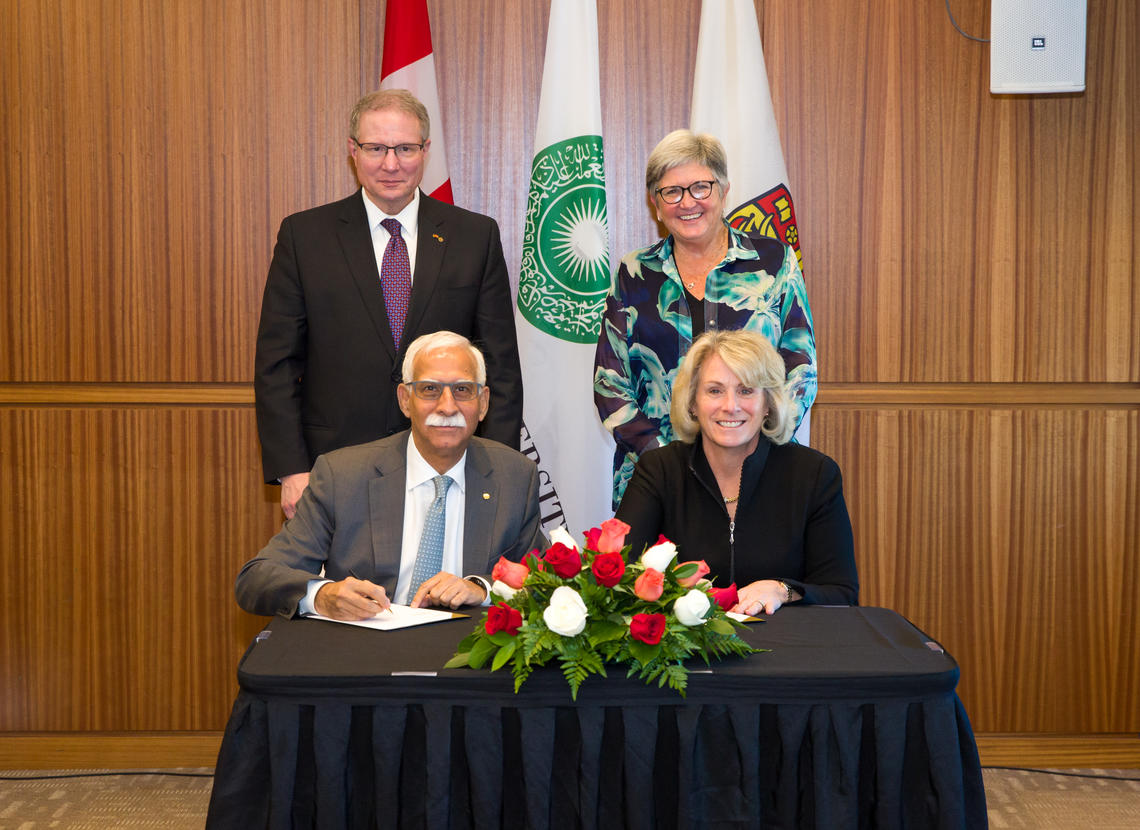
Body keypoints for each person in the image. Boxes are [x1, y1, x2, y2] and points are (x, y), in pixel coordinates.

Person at [255, 88, 523, 519]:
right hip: (333, 466)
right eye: (376, 148)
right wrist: (291, 469)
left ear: (426, 150)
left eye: (405, 148)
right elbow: (277, 365)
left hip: (449, 462)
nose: (391, 163)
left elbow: (500, 365)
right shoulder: (304, 237)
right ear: (353, 151)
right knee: (343, 589)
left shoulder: (475, 237)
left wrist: (499, 468)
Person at [237, 332, 543, 620]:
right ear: (405, 400)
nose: (447, 407)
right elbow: (257, 578)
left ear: (484, 403)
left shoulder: (514, 477)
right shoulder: (342, 476)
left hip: (469, 659)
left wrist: (482, 588)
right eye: (429, 389)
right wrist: (323, 595)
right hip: (368, 656)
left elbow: (545, 583)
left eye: (462, 390)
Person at [594, 129, 816, 507]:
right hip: (657, 481)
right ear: (656, 203)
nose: (687, 202)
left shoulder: (774, 261)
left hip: (758, 475)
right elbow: (609, 384)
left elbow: (801, 368)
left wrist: (749, 451)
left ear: (724, 190)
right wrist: (668, 463)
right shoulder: (634, 271)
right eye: (672, 191)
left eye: (700, 187)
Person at [615, 330, 856, 616]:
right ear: (692, 403)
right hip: (685, 653)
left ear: (768, 403)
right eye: (715, 390)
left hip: (785, 652)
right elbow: (619, 580)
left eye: (746, 390)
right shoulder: (658, 470)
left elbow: (842, 594)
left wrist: (783, 590)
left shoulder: (814, 474)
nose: (730, 406)